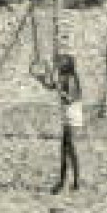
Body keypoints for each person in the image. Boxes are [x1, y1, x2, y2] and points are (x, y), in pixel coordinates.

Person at [35, 53, 84, 192]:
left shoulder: (71, 79)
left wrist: (59, 89)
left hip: (72, 115)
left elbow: (70, 98)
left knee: (69, 149)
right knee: (66, 150)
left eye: (62, 62)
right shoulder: (64, 78)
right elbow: (51, 86)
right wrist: (42, 80)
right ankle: (69, 182)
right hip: (68, 115)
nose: (59, 64)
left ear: (67, 65)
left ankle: (70, 182)